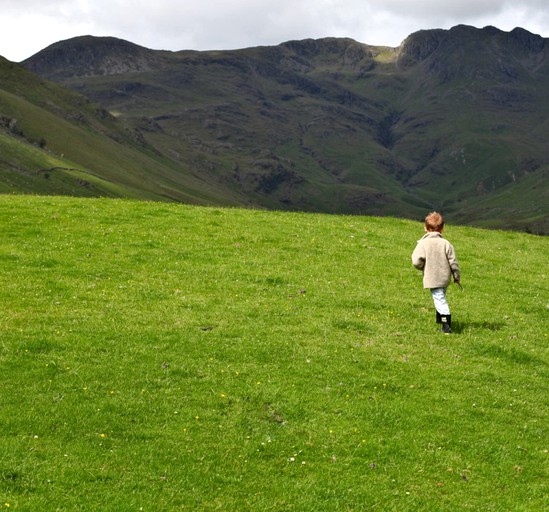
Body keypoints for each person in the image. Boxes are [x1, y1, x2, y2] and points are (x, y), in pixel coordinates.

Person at [411, 212, 461, 334]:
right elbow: (453, 262)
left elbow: (416, 261)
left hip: (433, 277)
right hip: (445, 278)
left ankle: (446, 325)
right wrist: (456, 276)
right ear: (442, 229)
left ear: (425, 228)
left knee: (439, 299)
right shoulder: (446, 244)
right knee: (441, 296)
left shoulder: (423, 243)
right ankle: (439, 319)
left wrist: (424, 267)